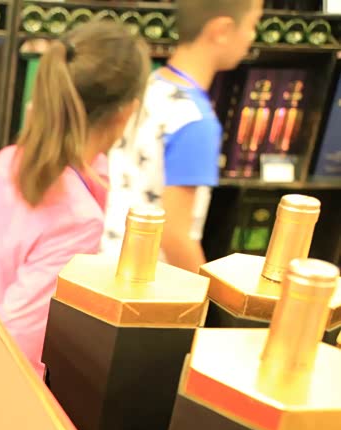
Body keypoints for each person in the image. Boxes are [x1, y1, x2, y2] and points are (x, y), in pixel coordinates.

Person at [0, 20, 149, 378]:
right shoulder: (77, 218)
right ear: (126, 113)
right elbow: (19, 339)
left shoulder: (10, 160)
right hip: (0, 373)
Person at [104, 0, 263, 272]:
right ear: (222, 30)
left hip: (107, 262)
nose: (252, 36)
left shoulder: (148, 84)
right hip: (144, 278)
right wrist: (207, 291)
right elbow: (175, 235)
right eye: (252, 25)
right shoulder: (196, 121)